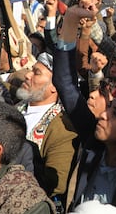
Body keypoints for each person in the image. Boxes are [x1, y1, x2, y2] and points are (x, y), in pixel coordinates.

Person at [16, 52, 78, 205]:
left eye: (36, 73)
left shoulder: (62, 128)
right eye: (31, 69)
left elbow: (56, 184)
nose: (27, 75)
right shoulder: (15, 108)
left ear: (54, 87)